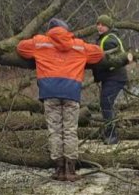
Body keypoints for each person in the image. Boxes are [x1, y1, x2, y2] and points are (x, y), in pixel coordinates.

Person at [16, 18, 104, 182]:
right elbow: (99, 54)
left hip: (49, 91)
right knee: (70, 129)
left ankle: (58, 169)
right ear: (66, 30)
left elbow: (20, 48)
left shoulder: (40, 42)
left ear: (50, 30)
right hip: (71, 91)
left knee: (54, 129)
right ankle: (70, 169)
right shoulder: (79, 45)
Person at [92, 14, 128, 144]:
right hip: (112, 77)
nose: (100, 27)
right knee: (106, 104)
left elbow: (108, 61)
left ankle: (111, 135)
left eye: (103, 25)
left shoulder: (108, 41)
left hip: (114, 76)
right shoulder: (107, 38)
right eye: (98, 24)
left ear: (108, 26)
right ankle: (109, 131)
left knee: (106, 103)